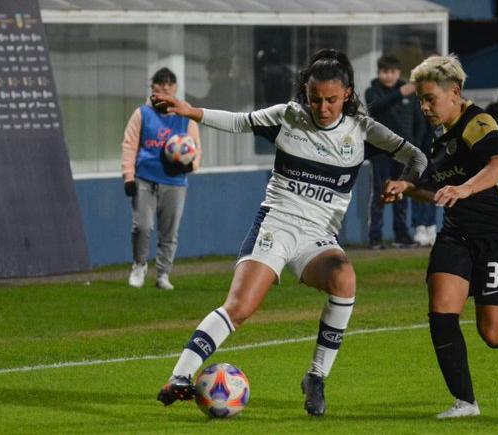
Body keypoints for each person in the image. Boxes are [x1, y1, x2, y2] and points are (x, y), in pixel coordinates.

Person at [152, 49, 427, 416]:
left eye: (331, 99)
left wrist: (404, 184)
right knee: (240, 307)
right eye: (315, 99)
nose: (323, 107)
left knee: (345, 280)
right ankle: (181, 376)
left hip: (318, 237)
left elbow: (417, 158)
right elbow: (238, 121)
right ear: (306, 93)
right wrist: (191, 111)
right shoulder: (288, 118)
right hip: (276, 225)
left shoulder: (362, 130)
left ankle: (316, 376)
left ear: (346, 93)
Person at [383, 54, 498, 419]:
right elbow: (437, 190)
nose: (424, 106)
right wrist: (407, 186)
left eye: (429, 98)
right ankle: (465, 402)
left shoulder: (477, 121)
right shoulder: (438, 139)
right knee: (441, 308)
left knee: (494, 333)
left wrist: (465, 189)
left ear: (455, 93)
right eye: (420, 98)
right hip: (457, 234)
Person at [121, 67, 202, 291]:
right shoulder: (142, 114)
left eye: (170, 83)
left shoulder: (185, 118)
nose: (165, 86)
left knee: (169, 232)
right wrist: (128, 176)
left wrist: (190, 164)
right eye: (161, 82)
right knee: (142, 226)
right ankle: (139, 265)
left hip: (175, 182)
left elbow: (196, 148)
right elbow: (129, 144)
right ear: (153, 87)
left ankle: (163, 274)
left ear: (175, 88)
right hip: (145, 179)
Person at [365, 54, 427, 249]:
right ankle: (375, 237)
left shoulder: (410, 94)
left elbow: (420, 122)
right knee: (379, 193)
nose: (388, 76)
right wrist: (400, 93)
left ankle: (402, 236)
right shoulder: (372, 91)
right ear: (378, 73)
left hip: (404, 153)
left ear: (399, 72)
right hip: (380, 151)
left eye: (392, 72)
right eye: (384, 72)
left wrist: (414, 146)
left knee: (402, 192)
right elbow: (375, 108)